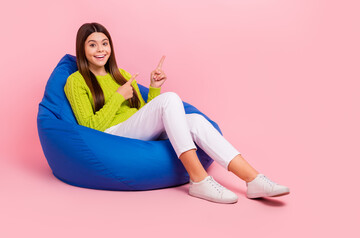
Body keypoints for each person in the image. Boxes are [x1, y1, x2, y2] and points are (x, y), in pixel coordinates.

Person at [64, 22, 290, 204]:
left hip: (133, 131)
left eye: (105, 43)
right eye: (92, 45)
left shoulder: (120, 74)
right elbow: (89, 127)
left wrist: (153, 86)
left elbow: (145, 113)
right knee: (171, 99)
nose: (100, 49)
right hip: (111, 136)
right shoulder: (76, 81)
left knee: (196, 121)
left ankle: (253, 179)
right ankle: (199, 178)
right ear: (82, 49)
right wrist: (116, 98)